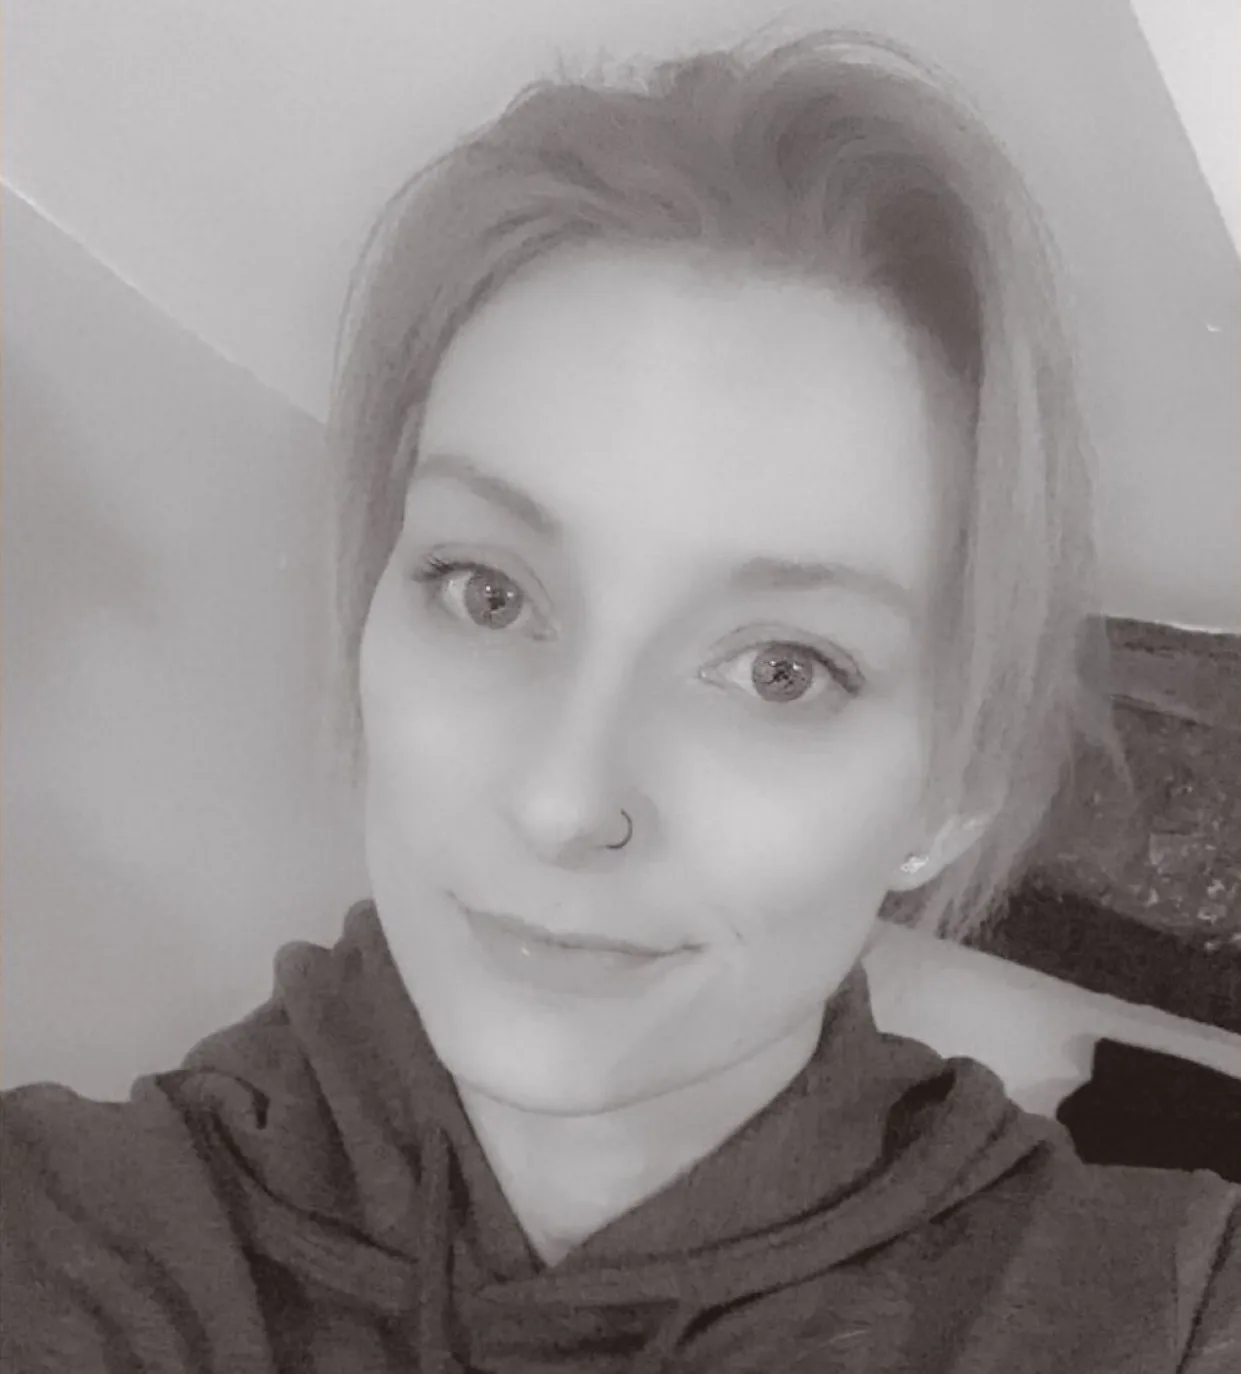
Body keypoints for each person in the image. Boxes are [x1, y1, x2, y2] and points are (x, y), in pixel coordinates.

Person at [2, 25, 1237, 1374]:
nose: (562, 798)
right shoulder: (60, 1230)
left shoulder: (1169, 1313)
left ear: (959, 783)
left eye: (781, 670)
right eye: (488, 593)